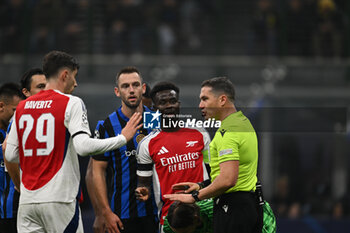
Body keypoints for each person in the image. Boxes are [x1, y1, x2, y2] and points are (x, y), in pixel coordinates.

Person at [5, 51, 143, 233]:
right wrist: (122, 138)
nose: (76, 83)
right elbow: (83, 147)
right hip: (59, 201)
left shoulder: (23, 106)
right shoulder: (71, 103)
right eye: (74, 77)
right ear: (65, 75)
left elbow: (10, 153)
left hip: (28, 202)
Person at [164, 77, 263, 233]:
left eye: (205, 99)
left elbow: (228, 179)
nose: (200, 105)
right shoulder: (243, 122)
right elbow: (234, 172)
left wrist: (195, 196)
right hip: (247, 204)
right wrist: (201, 185)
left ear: (222, 100)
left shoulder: (227, 133)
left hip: (233, 208)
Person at [86, 66, 158, 233]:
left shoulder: (157, 120)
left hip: (157, 212)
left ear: (144, 88)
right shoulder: (106, 126)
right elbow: (97, 171)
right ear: (117, 92)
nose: (131, 90)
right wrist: (104, 213)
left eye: (135, 85)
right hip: (122, 215)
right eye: (126, 86)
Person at [135, 82, 210, 232]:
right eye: (163, 103)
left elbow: (213, 172)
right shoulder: (147, 144)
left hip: (203, 213)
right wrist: (143, 190)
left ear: (179, 104)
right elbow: (144, 183)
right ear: (155, 109)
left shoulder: (200, 133)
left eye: (173, 101)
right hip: (170, 219)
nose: (169, 106)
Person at [1, 69, 47, 233]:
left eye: (47, 86)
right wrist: (21, 187)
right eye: (40, 86)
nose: (45, 91)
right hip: (15, 206)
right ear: (26, 92)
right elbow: (8, 152)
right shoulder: (20, 120)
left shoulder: (50, 119)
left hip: (40, 204)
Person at [0, 83, 23, 233]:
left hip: (16, 211)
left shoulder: (17, 134)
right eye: (14, 111)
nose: (17, 116)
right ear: (1, 106)